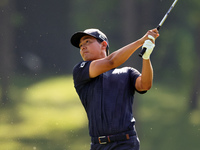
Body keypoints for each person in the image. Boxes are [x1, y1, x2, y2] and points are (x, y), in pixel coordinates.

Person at [70, 28, 159, 150]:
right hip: (98, 145)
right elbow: (111, 62)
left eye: (87, 42)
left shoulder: (127, 73)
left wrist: (146, 58)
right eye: (80, 45)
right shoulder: (80, 71)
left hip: (126, 144)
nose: (83, 47)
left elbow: (145, 85)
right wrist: (141, 41)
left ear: (103, 45)